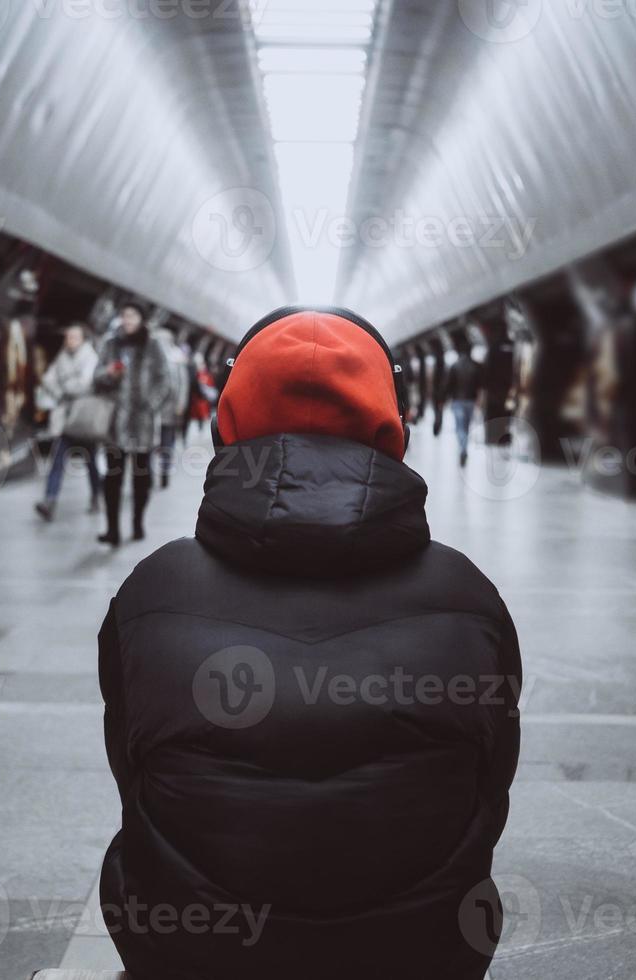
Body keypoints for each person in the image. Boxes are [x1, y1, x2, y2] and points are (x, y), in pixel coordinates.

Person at [98, 308, 521, 979]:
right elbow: (486, 795)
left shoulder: (151, 594)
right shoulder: (470, 599)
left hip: (193, 956)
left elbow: (134, 778)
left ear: (225, 428)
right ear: (394, 430)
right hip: (422, 960)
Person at [92, 302, 171, 546]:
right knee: (112, 478)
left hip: (142, 423)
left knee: (141, 478)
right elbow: (96, 377)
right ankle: (112, 529)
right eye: (124, 315)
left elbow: (164, 380)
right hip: (116, 423)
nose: (127, 320)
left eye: (133, 315)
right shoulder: (110, 344)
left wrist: (152, 404)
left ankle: (137, 523)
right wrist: (109, 374)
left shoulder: (153, 345)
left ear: (141, 319)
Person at [34, 322, 103, 521]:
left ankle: (96, 496)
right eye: (68, 337)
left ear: (83, 339)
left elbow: (85, 385)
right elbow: (48, 379)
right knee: (57, 461)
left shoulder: (91, 358)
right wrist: (62, 389)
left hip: (83, 419)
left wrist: (63, 387)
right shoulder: (61, 357)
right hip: (65, 420)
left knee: (91, 463)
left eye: (74, 337)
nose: (69, 340)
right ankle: (49, 500)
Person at [153, 326, 192, 490]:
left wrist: (180, 404)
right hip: (153, 409)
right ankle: (149, 473)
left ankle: (164, 472)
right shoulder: (150, 358)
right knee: (151, 443)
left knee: (166, 442)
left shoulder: (176, 357)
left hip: (169, 409)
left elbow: (183, 383)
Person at [446, 342, 486, 466]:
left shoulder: (455, 366)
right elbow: (481, 385)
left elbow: (448, 385)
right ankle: (464, 449)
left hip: (457, 401)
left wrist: (443, 400)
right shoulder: (476, 366)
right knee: (467, 427)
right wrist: (479, 401)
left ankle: (462, 449)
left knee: (459, 427)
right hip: (470, 401)